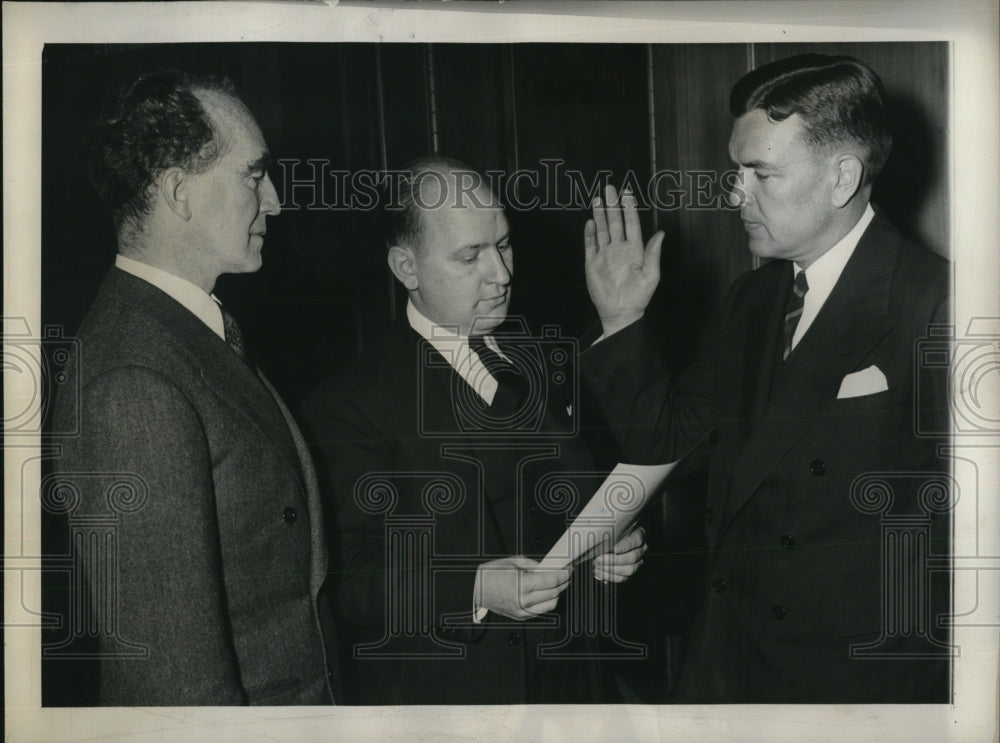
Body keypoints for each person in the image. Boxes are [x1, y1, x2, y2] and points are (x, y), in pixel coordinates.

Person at [580, 54, 950, 703]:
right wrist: (622, 317)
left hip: (853, 686)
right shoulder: (751, 298)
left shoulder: (938, 303)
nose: (734, 194)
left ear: (841, 177)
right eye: (735, 170)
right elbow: (667, 441)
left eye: (761, 174)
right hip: (726, 662)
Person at [301, 156, 646, 704]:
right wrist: (476, 588)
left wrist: (613, 544)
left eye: (504, 245)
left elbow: (587, 496)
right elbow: (345, 580)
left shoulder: (546, 361)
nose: (502, 275)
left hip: (575, 686)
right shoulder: (347, 404)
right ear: (405, 268)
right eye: (470, 256)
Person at [51, 71, 336, 705]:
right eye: (253, 176)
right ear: (180, 192)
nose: (278, 201)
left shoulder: (185, 333)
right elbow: (176, 687)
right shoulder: (133, 382)